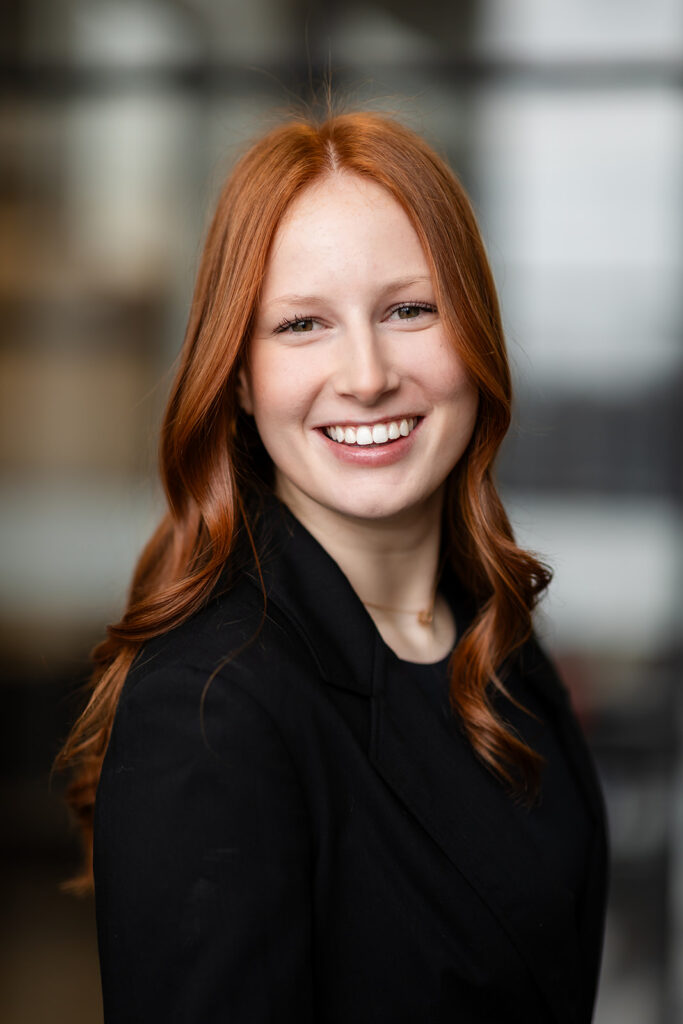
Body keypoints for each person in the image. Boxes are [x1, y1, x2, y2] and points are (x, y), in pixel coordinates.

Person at [58, 109, 608, 1023]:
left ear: (474, 333)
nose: (365, 374)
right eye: (302, 324)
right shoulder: (209, 704)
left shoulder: (493, 632)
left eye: (408, 309)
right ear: (237, 375)